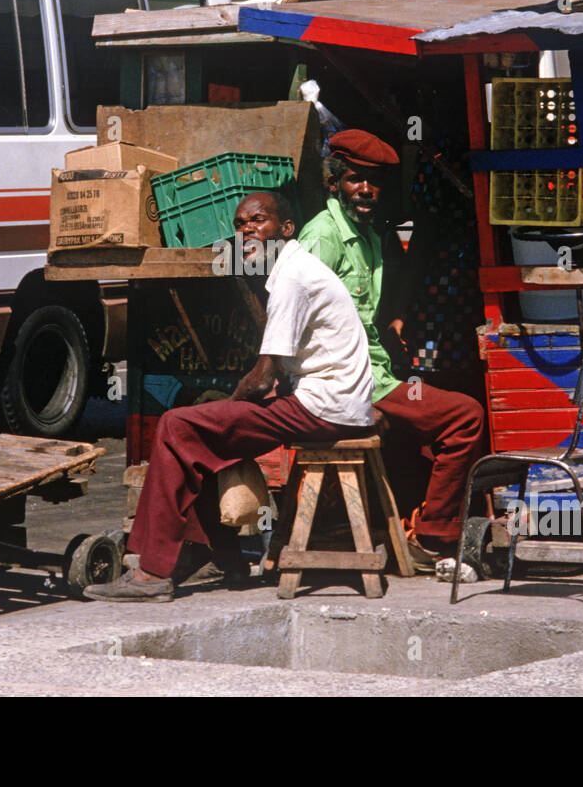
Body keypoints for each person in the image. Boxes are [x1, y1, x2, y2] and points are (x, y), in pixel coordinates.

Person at [86, 190, 375, 602]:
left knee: (176, 424)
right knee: (199, 438)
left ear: (286, 229)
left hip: (324, 407)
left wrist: (226, 407)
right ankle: (231, 563)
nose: (247, 231)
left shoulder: (293, 277)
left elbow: (261, 378)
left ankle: (151, 574)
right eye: (240, 225)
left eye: (258, 221)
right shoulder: (291, 270)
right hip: (332, 403)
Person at [297, 129, 486, 569]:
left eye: (374, 182)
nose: (366, 190)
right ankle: (433, 535)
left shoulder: (366, 234)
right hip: (350, 381)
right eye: (355, 180)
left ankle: (410, 521)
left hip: (374, 373)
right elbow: (296, 321)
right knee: (465, 416)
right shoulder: (323, 236)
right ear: (334, 183)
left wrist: (393, 331)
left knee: (432, 418)